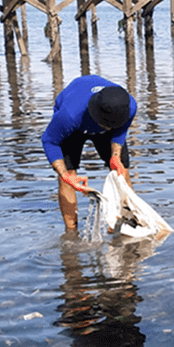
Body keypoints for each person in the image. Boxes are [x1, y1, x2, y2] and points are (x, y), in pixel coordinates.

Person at [41, 75, 136, 231]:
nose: (106, 130)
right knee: (68, 177)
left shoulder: (129, 106)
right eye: (105, 126)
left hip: (110, 117)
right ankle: (71, 233)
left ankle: (126, 223)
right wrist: (65, 174)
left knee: (122, 172)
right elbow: (49, 141)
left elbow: (121, 129)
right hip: (75, 127)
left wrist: (116, 156)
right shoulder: (70, 115)